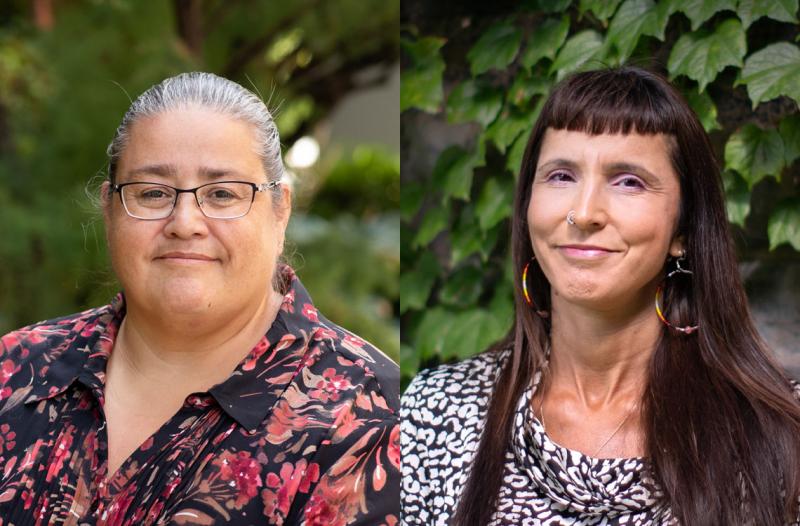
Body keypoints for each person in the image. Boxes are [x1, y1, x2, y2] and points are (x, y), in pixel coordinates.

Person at [401, 67, 800, 525]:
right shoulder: (439, 413)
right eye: (561, 176)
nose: (584, 212)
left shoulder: (778, 437)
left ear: (683, 230)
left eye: (627, 180)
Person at [0, 72, 399, 524]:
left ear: (280, 210)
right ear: (110, 209)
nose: (185, 222)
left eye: (222, 193)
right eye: (152, 193)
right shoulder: (17, 372)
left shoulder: (369, 424)